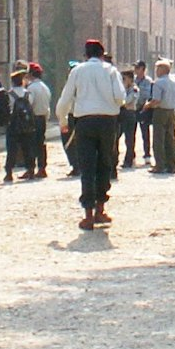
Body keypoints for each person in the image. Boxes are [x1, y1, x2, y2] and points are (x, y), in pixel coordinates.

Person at [54, 38, 126, 229]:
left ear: (85, 55)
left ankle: (88, 214)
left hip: (84, 122)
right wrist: (111, 104)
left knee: (87, 167)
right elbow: (120, 97)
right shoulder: (111, 71)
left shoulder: (77, 71)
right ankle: (100, 209)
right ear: (102, 55)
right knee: (104, 164)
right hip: (107, 122)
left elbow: (65, 99)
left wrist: (62, 121)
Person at [146, 58, 175, 174]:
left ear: (163, 69)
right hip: (171, 111)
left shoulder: (158, 82)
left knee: (158, 139)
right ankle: (171, 165)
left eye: (158, 68)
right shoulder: (174, 81)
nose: (156, 71)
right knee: (170, 138)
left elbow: (156, 100)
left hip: (160, 111)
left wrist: (147, 105)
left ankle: (159, 165)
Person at [26, 61, 52, 178]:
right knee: (41, 143)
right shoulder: (45, 87)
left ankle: (30, 168)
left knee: (31, 144)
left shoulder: (31, 88)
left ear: (31, 74)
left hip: (33, 118)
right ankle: (42, 168)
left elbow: (29, 103)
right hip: (42, 118)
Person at [133, 60, 153, 163]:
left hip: (143, 108)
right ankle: (131, 155)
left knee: (145, 133)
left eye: (137, 68)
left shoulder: (148, 81)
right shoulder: (133, 80)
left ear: (142, 69)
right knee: (131, 133)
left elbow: (148, 95)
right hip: (133, 108)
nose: (135, 70)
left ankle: (147, 154)